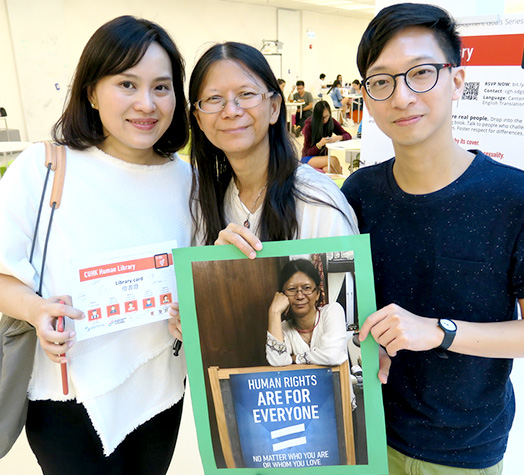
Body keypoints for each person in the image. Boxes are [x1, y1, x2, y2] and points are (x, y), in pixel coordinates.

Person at [0, 16, 191, 474]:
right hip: (66, 396)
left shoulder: (189, 180)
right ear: (91, 91)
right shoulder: (44, 167)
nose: (146, 104)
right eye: (127, 83)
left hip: (161, 390)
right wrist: (35, 309)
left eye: (162, 87)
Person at [341, 4, 524, 474]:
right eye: (381, 81)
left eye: (421, 73)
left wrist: (439, 331)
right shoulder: (358, 192)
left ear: (456, 81)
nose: (402, 97)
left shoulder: (512, 196)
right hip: (364, 434)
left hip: (462, 450)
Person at [187, 41, 358, 256]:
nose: (231, 110)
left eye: (246, 94)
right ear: (199, 119)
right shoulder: (202, 204)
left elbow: (344, 288)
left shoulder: (319, 203)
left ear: (274, 108)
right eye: (214, 98)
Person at [266, 258, 347, 366]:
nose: (299, 296)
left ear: (317, 293)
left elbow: (332, 356)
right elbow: (277, 362)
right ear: (283, 296)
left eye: (307, 288)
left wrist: (296, 358)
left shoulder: (332, 312)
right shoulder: (283, 329)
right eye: (292, 289)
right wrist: (274, 312)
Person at [301, 100, 351, 174]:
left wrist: (338, 137)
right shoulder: (309, 126)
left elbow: (348, 135)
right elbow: (308, 152)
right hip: (308, 158)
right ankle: (345, 183)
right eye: (322, 117)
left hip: (323, 158)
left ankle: (337, 184)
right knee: (333, 160)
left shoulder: (331, 122)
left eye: (327, 116)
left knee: (328, 170)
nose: (325, 120)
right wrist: (319, 144)